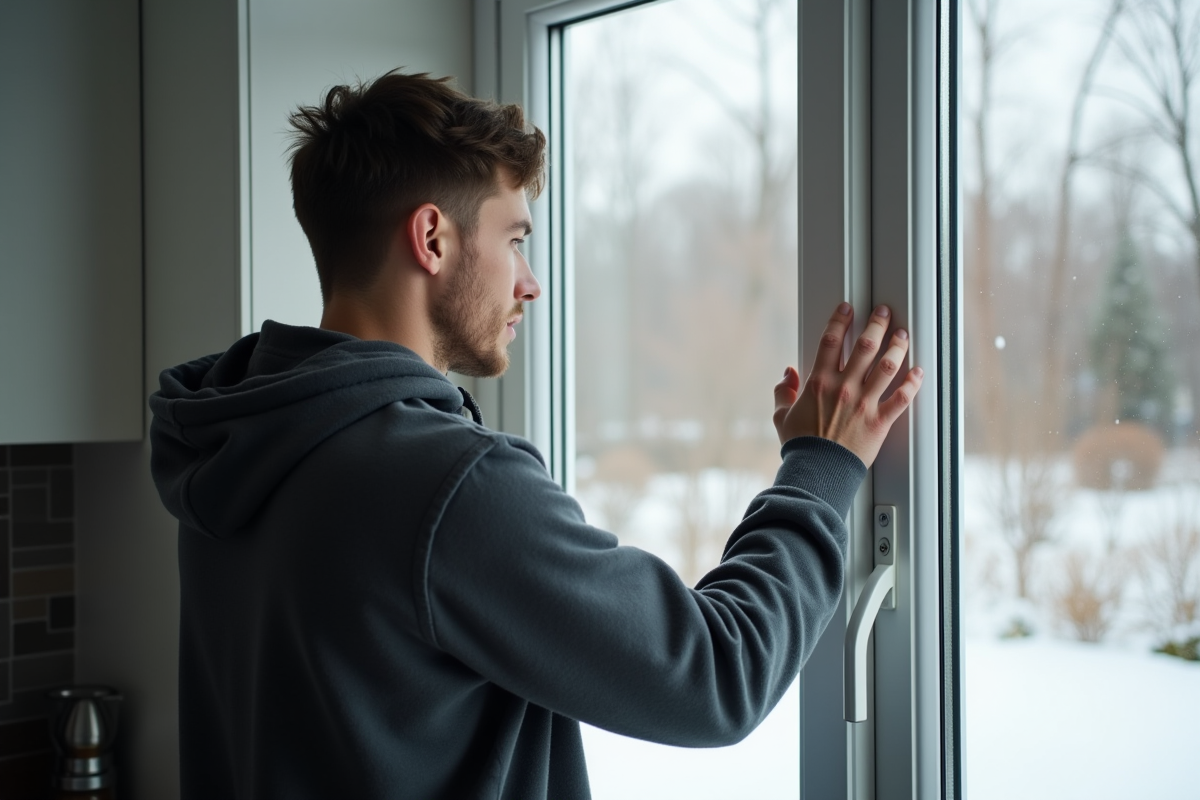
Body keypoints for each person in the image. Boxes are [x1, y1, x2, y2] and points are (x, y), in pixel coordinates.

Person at [149, 70, 922, 800]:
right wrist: (823, 466)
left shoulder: (234, 439)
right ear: (432, 238)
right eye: (515, 238)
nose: (531, 280)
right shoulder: (442, 485)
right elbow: (718, 676)